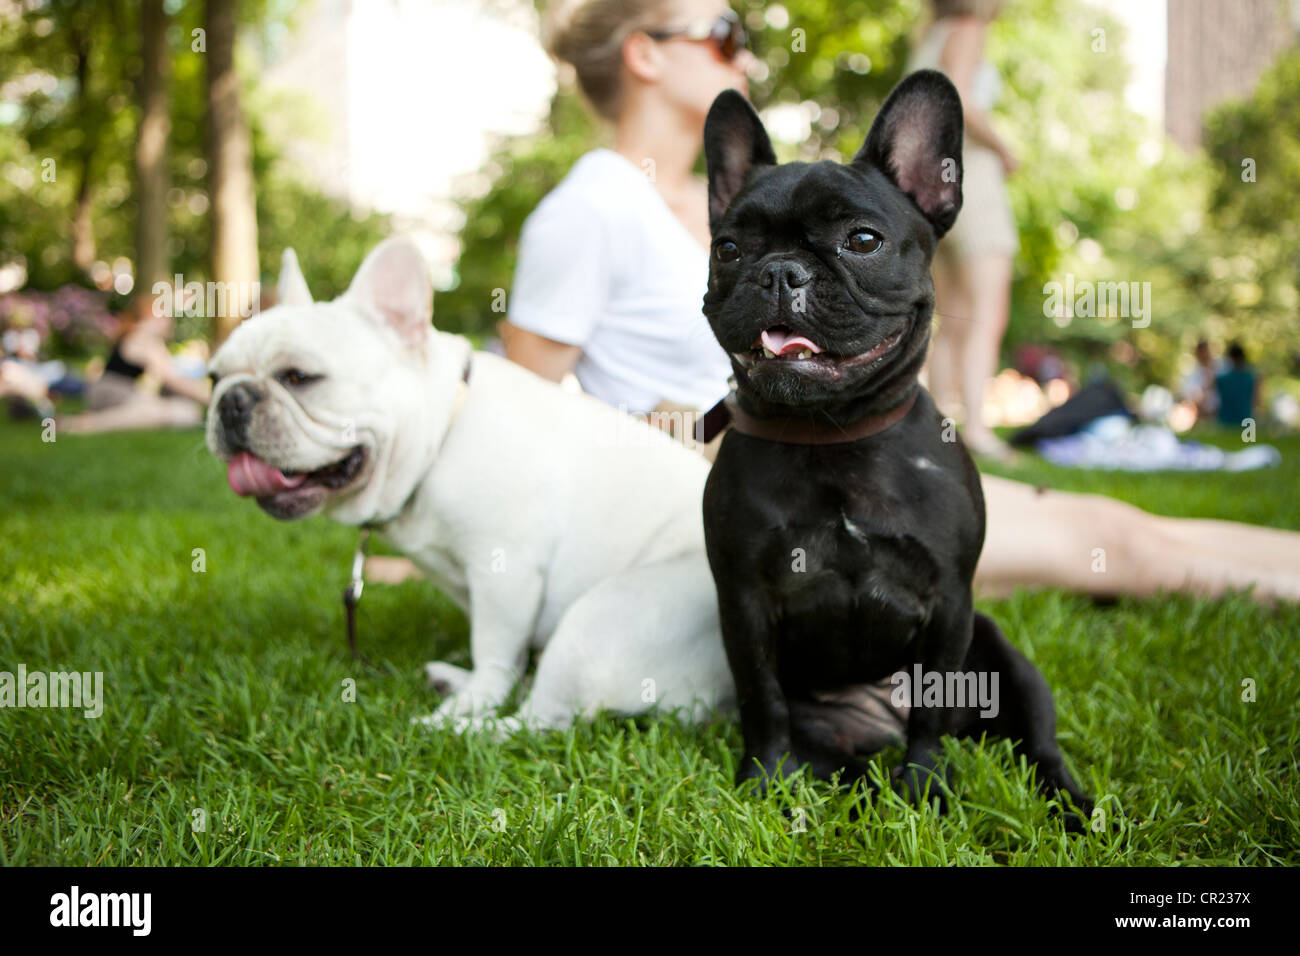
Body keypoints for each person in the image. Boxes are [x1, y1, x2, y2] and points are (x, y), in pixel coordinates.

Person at [487, 0, 1300, 604]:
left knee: (1108, 521)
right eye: (724, 34)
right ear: (645, 55)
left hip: (861, 455)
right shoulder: (589, 208)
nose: (745, 55)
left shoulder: (736, 201)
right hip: (765, 497)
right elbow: (523, 417)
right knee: (1109, 542)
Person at [906, 0, 1019, 460]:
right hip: (972, 176)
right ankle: (977, 428)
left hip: (930, 185)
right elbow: (960, 101)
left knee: (951, 315)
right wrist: (1006, 148)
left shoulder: (927, 37)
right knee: (987, 312)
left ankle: (939, 427)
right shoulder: (969, 27)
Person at [57, 293, 210, 434]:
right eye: (163, 316)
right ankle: (81, 425)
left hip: (121, 391)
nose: (168, 321)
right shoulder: (141, 338)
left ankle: (83, 422)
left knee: (185, 412)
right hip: (112, 389)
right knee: (168, 412)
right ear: (148, 318)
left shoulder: (149, 341)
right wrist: (210, 398)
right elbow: (172, 379)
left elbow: (171, 378)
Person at [1215, 342, 1258, 428]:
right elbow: (1256, 399)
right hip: (1245, 420)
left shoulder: (1221, 379)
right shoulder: (1251, 378)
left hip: (1225, 420)